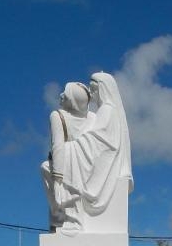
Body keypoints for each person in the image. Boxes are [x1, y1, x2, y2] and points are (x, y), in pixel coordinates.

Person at [57, 71, 133, 222]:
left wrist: (69, 148)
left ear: (103, 90)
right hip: (98, 154)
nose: (91, 93)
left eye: (93, 89)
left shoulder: (107, 110)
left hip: (101, 158)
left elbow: (99, 140)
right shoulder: (104, 111)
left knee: (60, 156)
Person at [41, 81, 93, 230]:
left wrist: (58, 179)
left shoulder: (57, 115)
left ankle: (58, 215)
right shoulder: (94, 118)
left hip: (69, 166)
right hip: (90, 167)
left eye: (66, 93)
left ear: (72, 101)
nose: (61, 95)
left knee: (45, 167)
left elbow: (57, 146)